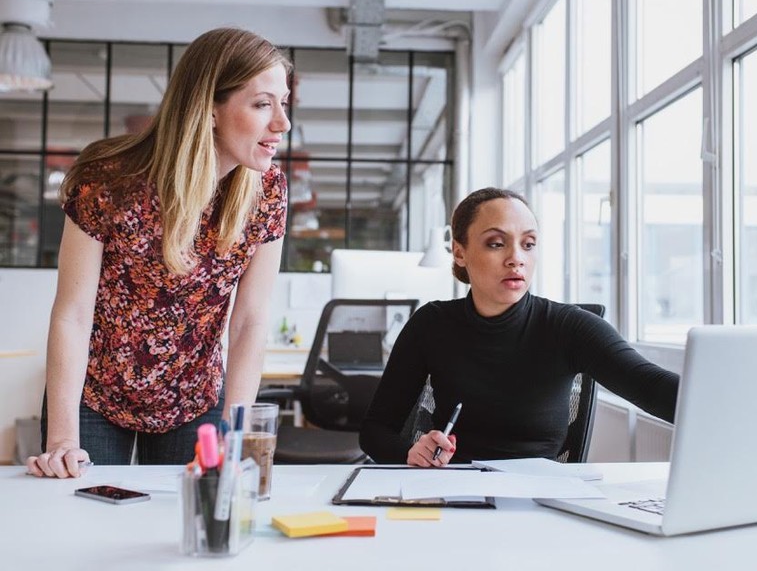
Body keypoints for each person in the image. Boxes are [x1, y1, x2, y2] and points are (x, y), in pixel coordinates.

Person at [26, 27, 291, 478]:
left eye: (283, 103)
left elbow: (249, 319)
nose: (282, 123)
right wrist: (62, 438)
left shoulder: (267, 193)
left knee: (190, 532)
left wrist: (236, 429)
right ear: (208, 108)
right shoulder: (107, 179)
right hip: (95, 397)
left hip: (195, 400)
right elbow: (73, 313)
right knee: (79, 520)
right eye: (263, 104)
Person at [359, 187, 680, 467]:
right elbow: (374, 432)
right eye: (496, 244)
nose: (516, 258)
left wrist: (722, 403)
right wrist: (411, 451)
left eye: (528, 244)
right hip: (452, 496)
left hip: (539, 505)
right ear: (459, 252)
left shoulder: (570, 328)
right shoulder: (431, 324)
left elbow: (652, 387)